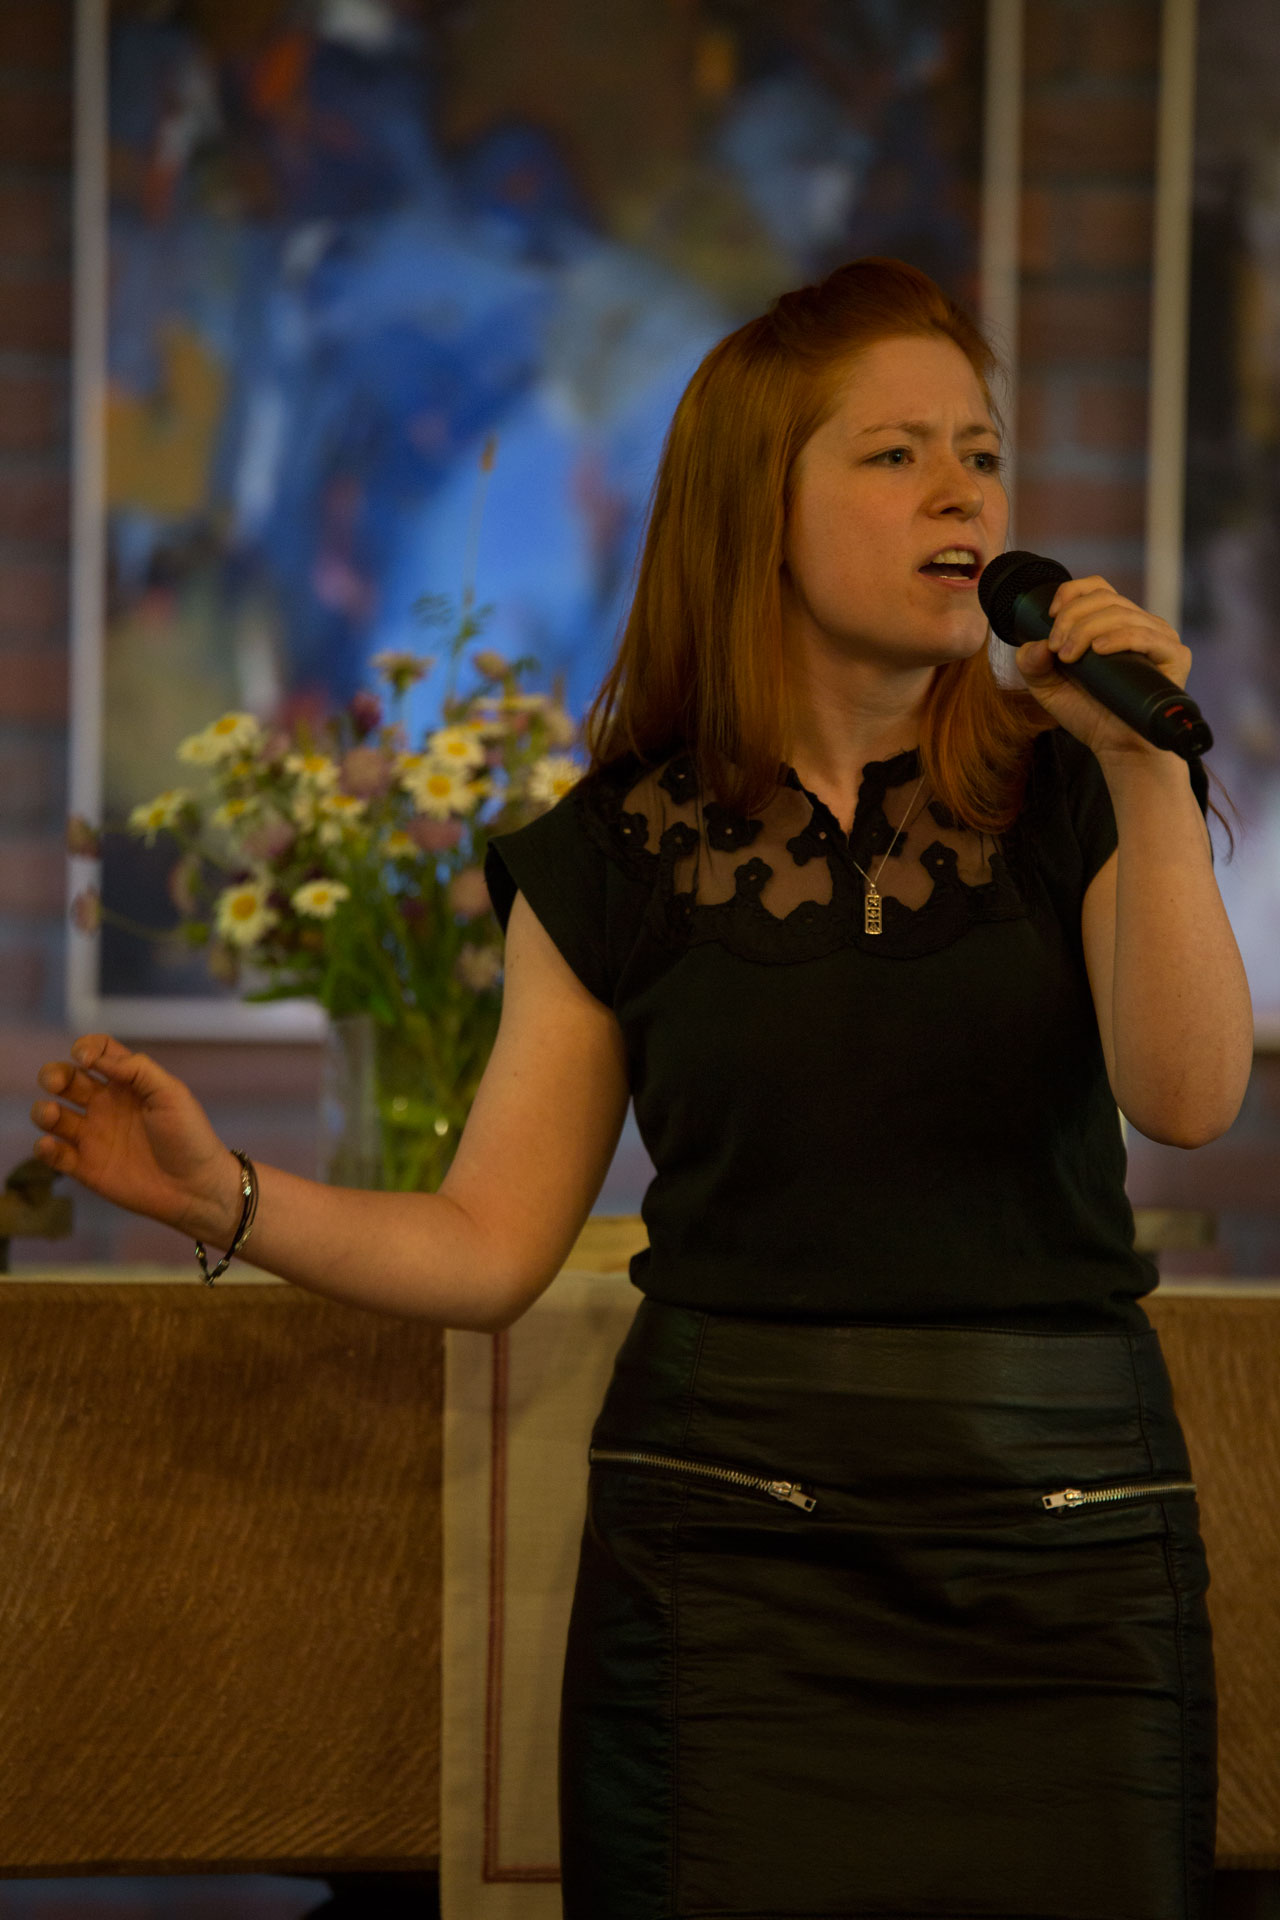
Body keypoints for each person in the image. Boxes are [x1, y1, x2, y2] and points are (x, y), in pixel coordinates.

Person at [32, 258, 1251, 1920]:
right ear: (758, 512)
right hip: (731, 1561)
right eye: (894, 453)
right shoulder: (617, 850)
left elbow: (1188, 1097)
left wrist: (1146, 774)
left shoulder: (1079, 791)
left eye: (980, 452)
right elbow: (487, 1244)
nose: (962, 491)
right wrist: (217, 1196)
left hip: (1067, 1542)